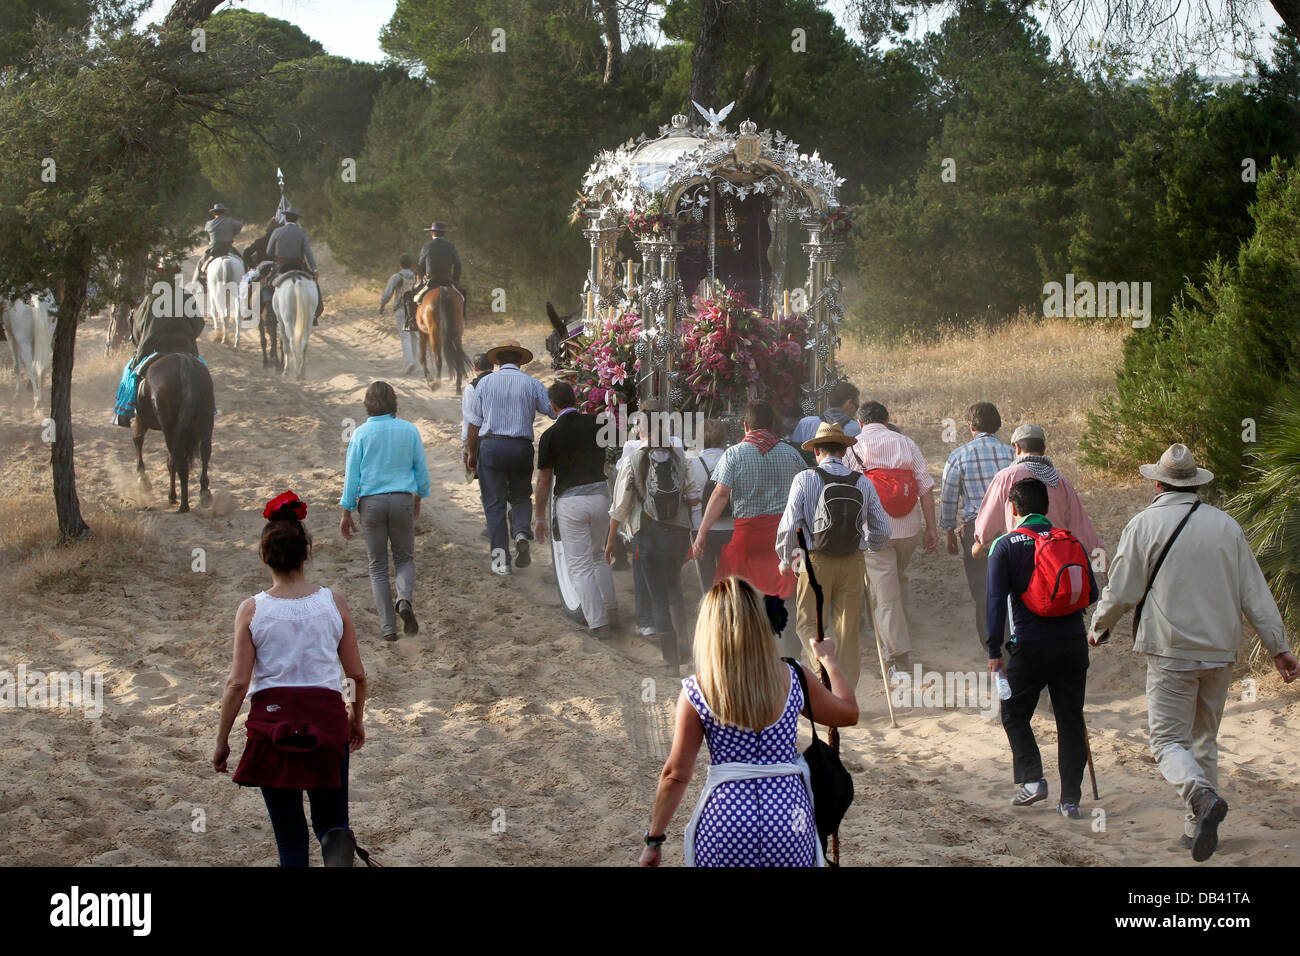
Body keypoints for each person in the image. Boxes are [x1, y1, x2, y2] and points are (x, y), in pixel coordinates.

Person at [1088, 443, 1297, 861]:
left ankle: (1199, 798)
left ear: (1158, 481)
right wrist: (1279, 647)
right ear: (1195, 482)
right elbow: (1254, 592)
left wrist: (1099, 625)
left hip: (1170, 649)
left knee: (1167, 741)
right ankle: (1195, 827)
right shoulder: (1226, 526)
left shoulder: (1143, 524)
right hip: (1220, 650)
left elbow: (1123, 588)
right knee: (1204, 739)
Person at [637, 577, 859, 867]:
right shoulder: (792, 676)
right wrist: (828, 661)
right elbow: (848, 713)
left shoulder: (697, 689)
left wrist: (654, 841)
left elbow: (675, 775)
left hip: (726, 820)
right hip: (788, 817)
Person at [213, 491, 368, 867]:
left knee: (289, 837)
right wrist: (355, 720)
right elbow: (357, 675)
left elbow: (237, 684)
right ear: (306, 553)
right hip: (327, 722)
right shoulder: (334, 602)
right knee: (332, 825)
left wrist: (221, 741)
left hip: (273, 726)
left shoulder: (252, 610)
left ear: (266, 557)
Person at [987, 477, 1099, 819]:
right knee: (1070, 718)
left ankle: (1033, 781)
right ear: (1047, 508)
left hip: (1030, 646)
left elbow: (994, 602)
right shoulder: (1070, 540)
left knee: (1014, 712)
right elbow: (1091, 593)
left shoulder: (1005, 545)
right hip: (1072, 645)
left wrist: (993, 651)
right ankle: (1071, 801)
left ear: (1013, 508)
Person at [776, 421, 891, 693]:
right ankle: (845, 690)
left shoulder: (804, 479)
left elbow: (789, 526)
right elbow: (883, 529)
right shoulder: (862, 481)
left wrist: (785, 560)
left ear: (817, 451)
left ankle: (822, 675)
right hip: (852, 560)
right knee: (847, 629)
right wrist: (867, 546)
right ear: (844, 451)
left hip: (814, 561)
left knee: (808, 623)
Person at [843, 401, 938, 676]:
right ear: (886, 420)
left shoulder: (853, 447)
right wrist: (931, 528)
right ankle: (900, 632)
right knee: (894, 583)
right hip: (909, 529)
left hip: (874, 532)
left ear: (860, 423)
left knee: (884, 595)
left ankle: (899, 657)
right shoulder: (906, 443)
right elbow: (925, 488)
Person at [607, 400, 701, 667]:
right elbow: (693, 496)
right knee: (674, 588)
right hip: (679, 532)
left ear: (641, 429)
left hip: (649, 534)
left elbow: (620, 506)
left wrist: (611, 538)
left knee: (657, 593)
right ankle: (684, 649)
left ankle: (671, 660)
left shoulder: (633, 458)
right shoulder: (680, 455)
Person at [690, 399, 806, 610]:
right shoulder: (792, 455)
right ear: (772, 425)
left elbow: (720, 494)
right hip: (783, 536)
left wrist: (702, 533)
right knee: (784, 589)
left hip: (746, 538)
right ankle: (782, 638)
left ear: (745, 425)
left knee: (734, 592)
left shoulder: (734, 454)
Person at [339, 382, 431, 642]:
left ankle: (388, 628)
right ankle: (403, 600)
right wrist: (419, 495)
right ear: (394, 402)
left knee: (378, 566)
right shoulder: (409, 430)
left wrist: (346, 509)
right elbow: (421, 470)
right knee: (404, 558)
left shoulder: (360, 434)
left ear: (368, 404)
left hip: (371, 503)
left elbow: (352, 476)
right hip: (402, 499)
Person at [534, 381, 617, 638]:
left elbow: (545, 480)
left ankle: (598, 622)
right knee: (597, 555)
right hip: (601, 497)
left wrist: (539, 516)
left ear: (553, 405)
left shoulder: (549, 436)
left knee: (580, 566)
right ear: (575, 399)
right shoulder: (598, 422)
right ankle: (611, 608)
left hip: (571, 501)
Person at [464, 340, 554, 575]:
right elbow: (552, 411)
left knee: (494, 505)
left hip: (491, 446)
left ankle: (500, 562)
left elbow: (474, 423)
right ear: (520, 361)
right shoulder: (532, 383)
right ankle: (522, 531)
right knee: (522, 495)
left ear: (498, 361)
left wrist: (472, 453)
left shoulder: (484, 383)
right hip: (521, 447)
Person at [939, 402, 1015, 649]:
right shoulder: (1011, 453)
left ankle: (993, 647)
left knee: (984, 591)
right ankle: (1016, 638)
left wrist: (949, 532)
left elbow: (949, 498)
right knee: (1015, 586)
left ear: (970, 426)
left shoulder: (959, 455)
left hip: (977, 531)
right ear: (998, 425)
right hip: (1012, 527)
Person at [972, 424, 1100, 563]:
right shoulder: (1061, 481)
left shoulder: (1006, 477)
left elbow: (988, 522)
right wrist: (1104, 565)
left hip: (1020, 556)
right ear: (1043, 450)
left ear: (1017, 447)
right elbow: (1082, 527)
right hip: (1056, 560)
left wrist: (980, 544)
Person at [112, 258, 205, 427]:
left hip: (155, 347)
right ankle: (208, 408)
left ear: (159, 274)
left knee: (130, 371)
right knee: (202, 371)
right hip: (185, 348)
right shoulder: (186, 296)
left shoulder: (150, 299)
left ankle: (124, 412)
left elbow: (138, 326)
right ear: (176, 275)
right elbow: (199, 324)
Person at [687, 419, 734, 592]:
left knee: (707, 582)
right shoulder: (732, 459)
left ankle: (711, 615)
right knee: (729, 582)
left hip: (700, 526)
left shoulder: (691, 463)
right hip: (730, 525)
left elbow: (689, 495)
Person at [266, 207, 324, 323]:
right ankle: (315, 312)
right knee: (314, 284)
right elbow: (308, 253)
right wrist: (314, 269)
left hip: (281, 266)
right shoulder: (302, 232)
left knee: (268, 284)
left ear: (285, 218)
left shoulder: (277, 231)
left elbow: (269, 251)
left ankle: (270, 313)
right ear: (297, 219)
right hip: (299, 266)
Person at [789, 381, 861, 450]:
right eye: (857, 406)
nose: (855, 412)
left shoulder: (805, 423)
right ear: (849, 403)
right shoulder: (858, 429)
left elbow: (795, 451)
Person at [379, 253, 420, 374]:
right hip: (415, 310)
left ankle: (409, 363)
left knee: (405, 336)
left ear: (400, 264)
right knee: (414, 336)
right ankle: (416, 364)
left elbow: (388, 293)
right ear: (411, 264)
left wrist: (382, 305)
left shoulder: (397, 276)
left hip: (401, 309)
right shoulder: (416, 276)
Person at [415, 221, 464, 311]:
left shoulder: (426, 246)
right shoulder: (450, 246)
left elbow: (420, 266)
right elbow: (458, 265)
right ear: (444, 233)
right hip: (447, 281)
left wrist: (421, 279)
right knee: (462, 298)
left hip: (431, 281)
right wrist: (456, 280)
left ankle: (411, 322)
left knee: (415, 299)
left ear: (431, 233)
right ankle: (463, 321)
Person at [195, 203, 243, 289]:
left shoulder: (209, 223)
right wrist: (233, 233)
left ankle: (197, 282)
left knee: (200, 263)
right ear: (224, 212)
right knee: (242, 260)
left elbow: (207, 235)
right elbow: (240, 225)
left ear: (214, 213)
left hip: (214, 248)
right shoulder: (230, 221)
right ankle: (246, 279)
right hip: (228, 247)